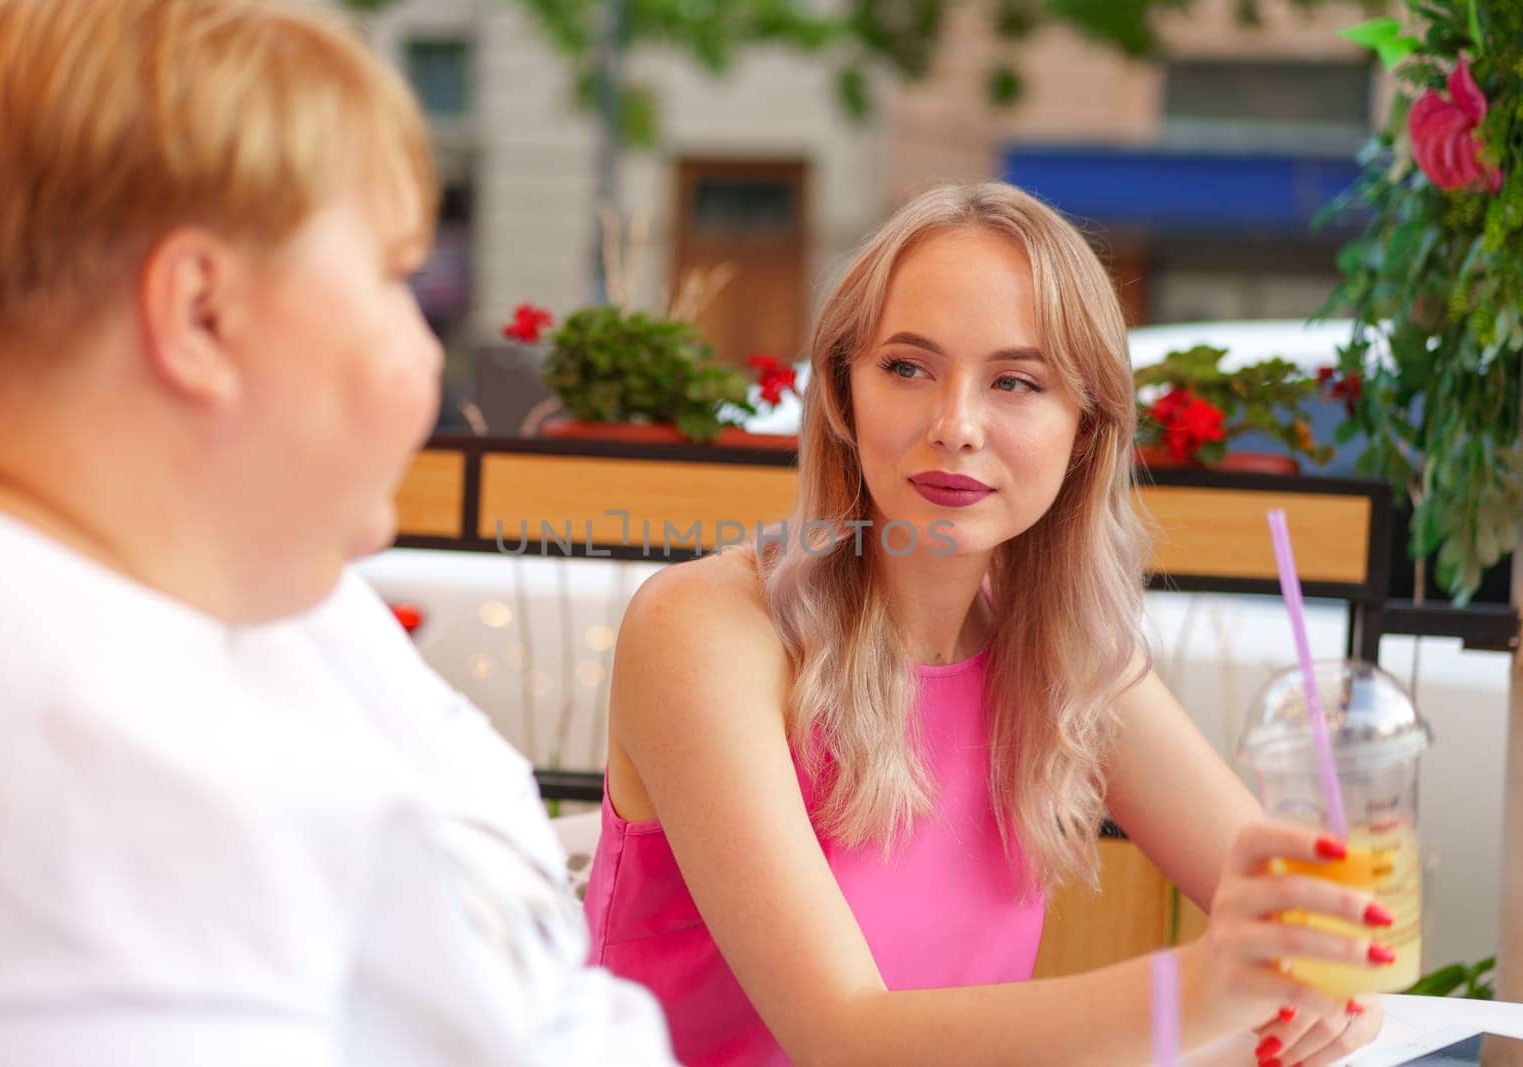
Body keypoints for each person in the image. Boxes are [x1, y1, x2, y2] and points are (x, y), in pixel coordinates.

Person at [0, 2, 671, 1064]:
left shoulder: (200, 604)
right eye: (393, 275)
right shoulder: (116, 762)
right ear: (200, 313)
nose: (422, 351)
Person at [585, 182, 1392, 1066]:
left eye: (1016, 381)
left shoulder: (1063, 651)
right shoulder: (705, 629)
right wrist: (1207, 989)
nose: (955, 425)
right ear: (846, 395)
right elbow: (841, 1035)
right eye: (906, 367)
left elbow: (1299, 915)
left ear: (1086, 429)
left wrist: (1327, 973)